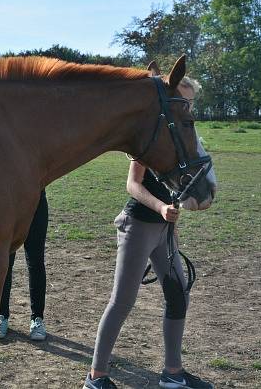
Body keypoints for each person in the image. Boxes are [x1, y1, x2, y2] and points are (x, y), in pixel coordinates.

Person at [84, 76, 214, 389]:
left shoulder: (183, 140)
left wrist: (195, 201)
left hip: (165, 230)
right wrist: (160, 207)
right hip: (139, 225)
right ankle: (95, 377)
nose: (187, 107)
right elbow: (133, 184)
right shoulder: (150, 138)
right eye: (183, 101)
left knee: (178, 295)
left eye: (190, 103)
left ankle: (173, 373)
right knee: (123, 300)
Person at [0, 190, 48, 341]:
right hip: (9, 203)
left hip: (36, 203)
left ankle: (37, 319)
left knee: (36, 262)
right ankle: (1, 316)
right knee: (5, 261)